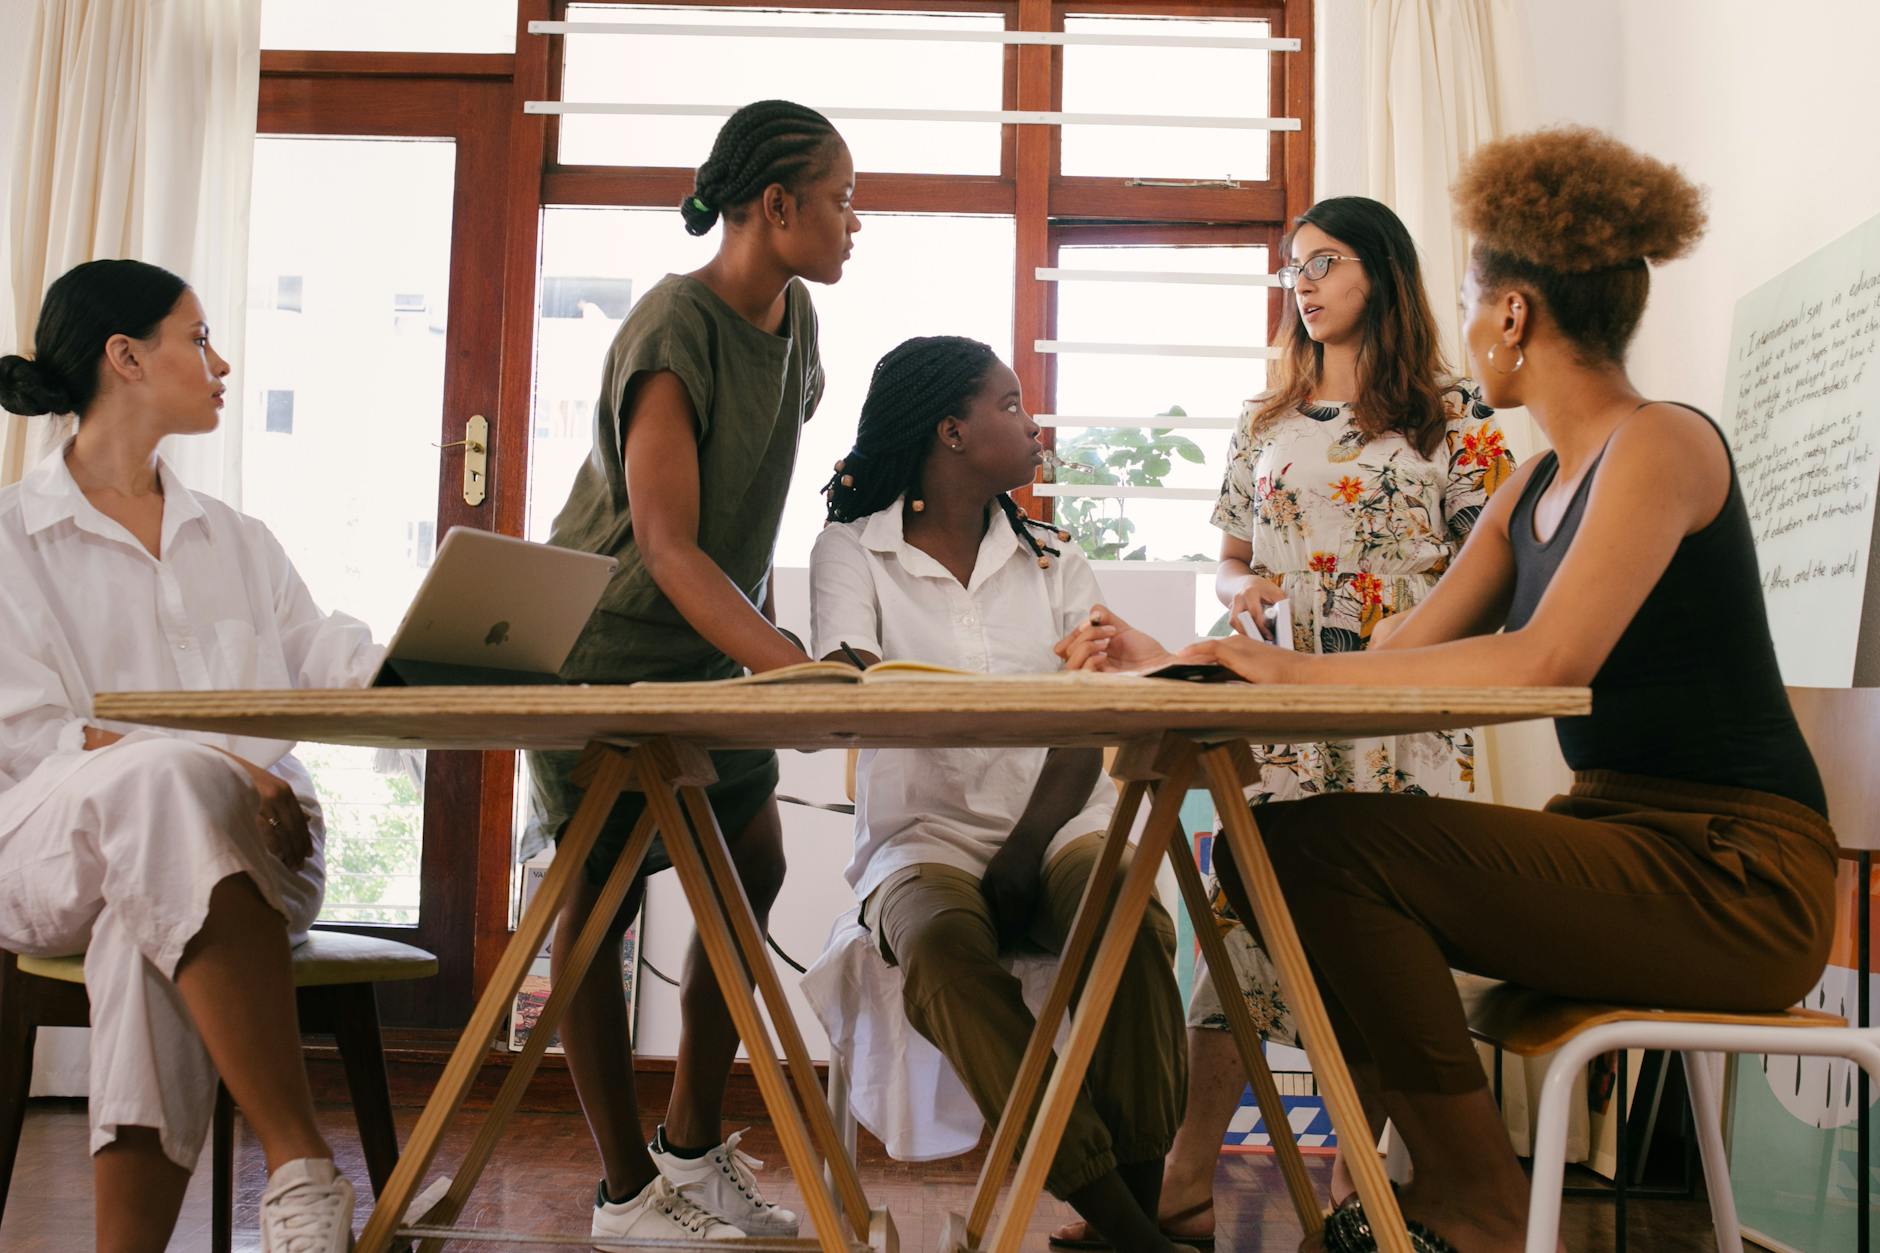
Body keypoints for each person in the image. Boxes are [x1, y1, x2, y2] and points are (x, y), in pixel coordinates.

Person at [1059, 127, 1835, 1253]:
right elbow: (1384, 665)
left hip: (1730, 874)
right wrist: (1182, 656)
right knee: (1279, 849)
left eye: (1475, 302)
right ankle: (1441, 1189)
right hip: (1626, 840)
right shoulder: (1534, 482)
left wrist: (1272, 663)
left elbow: (1541, 662)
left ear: (1512, 313)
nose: (1467, 327)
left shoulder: (1659, 444)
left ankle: (1469, 1196)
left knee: (1320, 851)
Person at [1050, 195, 1515, 1250]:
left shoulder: (1458, 416)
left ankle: (1354, 1197)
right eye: (1291, 266)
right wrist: (1241, 588)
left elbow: (1497, 571)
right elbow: (1229, 553)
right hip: (1278, 708)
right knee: (1234, 936)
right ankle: (1179, 1184)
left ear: (1380, 274)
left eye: (1325, 261)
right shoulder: (1262, 420)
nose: (1301, 283)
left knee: (1386, 952)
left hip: (1403, 711)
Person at [523, 100, 859, 1245]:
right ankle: (623, 1193)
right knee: (601, 901)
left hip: (715, 647)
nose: (855, 222)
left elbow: (756, 501)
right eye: (840, 199)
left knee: (747, 871)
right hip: (606, 650)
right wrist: (796, 667)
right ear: (776, 206)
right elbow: (664, 543)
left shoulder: (797, 322)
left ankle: (689, 1148)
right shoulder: (672, 322)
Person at [0, 259, 385, 1253]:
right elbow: (41, 738)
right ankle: (301, 1158)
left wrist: (461, 651)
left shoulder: (239, 540)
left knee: (150, 927)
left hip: (256, 858)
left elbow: (336, 662)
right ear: (124, 357)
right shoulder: (9, 543)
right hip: (47, 849)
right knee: (171, 787)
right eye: (198, 336)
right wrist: (228, 766)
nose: (221, 360)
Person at [809, 335, 1190, 1253]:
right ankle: (1131, 1229)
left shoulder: (1054, 556)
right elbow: (852, 692)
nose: (1033, 423)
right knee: (942, 953)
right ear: (951, 431)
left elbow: (1081, 731)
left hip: (1057, 828)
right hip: (921, 839)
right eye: (1011, 405)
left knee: (1132, 922)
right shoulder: (854, 553)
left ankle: (1121, 1224)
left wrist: (1022, 852)